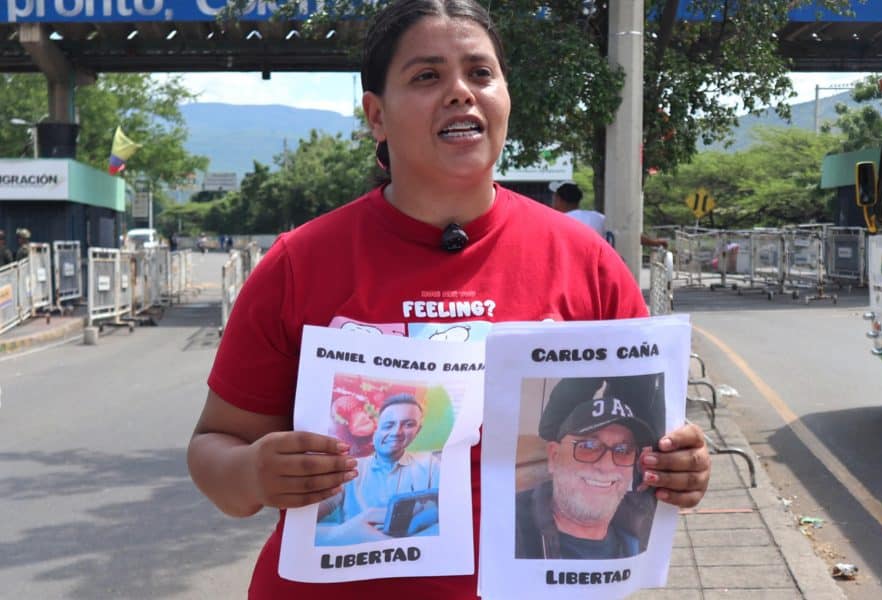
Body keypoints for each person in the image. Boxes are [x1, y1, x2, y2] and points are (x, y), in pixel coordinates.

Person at [187, 2, 710, 598]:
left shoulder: (586, 262)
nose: (461, 92)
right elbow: (213, 449)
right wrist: (253, 471)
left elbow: (656, 448)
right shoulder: (298, 264)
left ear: (506, 98)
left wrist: (681, 468)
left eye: (481, 73)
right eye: (427, 76)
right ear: (376, 116)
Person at [515, 376, 660, 559]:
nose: (606, 466)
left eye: (623, 450)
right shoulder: (510, 524)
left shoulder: (643, 526)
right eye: (588, 447)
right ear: (554, 455)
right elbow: (549, 429)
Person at [315, 393, 440, 544]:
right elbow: (301, 527)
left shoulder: (432, 464)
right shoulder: (350, 468)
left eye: (408, 424)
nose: (396, 433)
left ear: (417, 431)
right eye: (388, 425)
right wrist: (340, 534)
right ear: (376, 426)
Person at [549, 181, 670, 248]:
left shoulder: (556, 222)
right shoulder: (597, 217)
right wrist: (655, 242)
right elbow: (628, 235)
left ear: (559, 199)